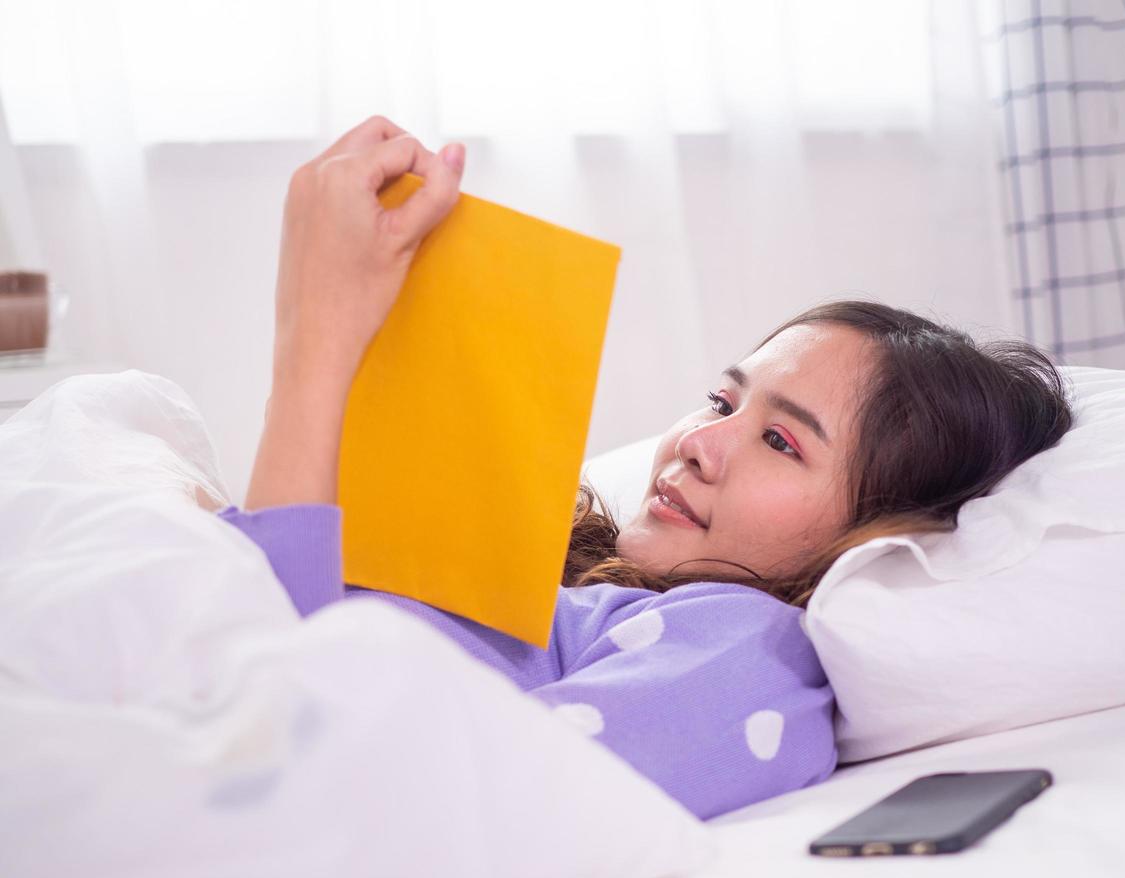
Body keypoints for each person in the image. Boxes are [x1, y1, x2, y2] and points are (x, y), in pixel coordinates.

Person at [213, 117, 1074, 820]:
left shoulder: (745, 653)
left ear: (873, 528)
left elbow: (363, 796)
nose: (702, 442)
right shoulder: (550, 579)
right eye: (721, 401)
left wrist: (314, 337)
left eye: (783, 442)